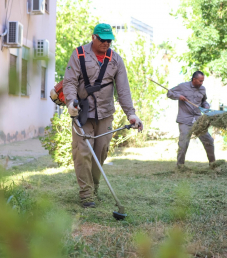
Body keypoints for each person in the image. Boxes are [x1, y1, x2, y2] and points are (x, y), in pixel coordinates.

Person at [62, 23, 142, 208]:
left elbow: (123, 90)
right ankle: (86, 194)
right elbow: (70, 81)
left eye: (109, 40)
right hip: (82, 112)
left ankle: (94, 186)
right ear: (93, 37)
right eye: (103, 40)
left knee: (101, 152)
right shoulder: (79, 54)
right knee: (82, 152)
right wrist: (70, 103)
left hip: (105, 114)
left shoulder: (116, 59)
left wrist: (131, 114)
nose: (107, 43)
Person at [167, 71, 215, 169]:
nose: (202, 83)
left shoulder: (202, 89)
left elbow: (203, 101)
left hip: (198, 119)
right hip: (185, 119)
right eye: (200, 81)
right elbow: (169, 93)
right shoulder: (182, 86)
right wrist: (178, 96)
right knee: (183, 143)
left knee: (208, 140)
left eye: (203, 81)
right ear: (194, 79)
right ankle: (180, 166)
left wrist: (206, 106)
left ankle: (213, 164)